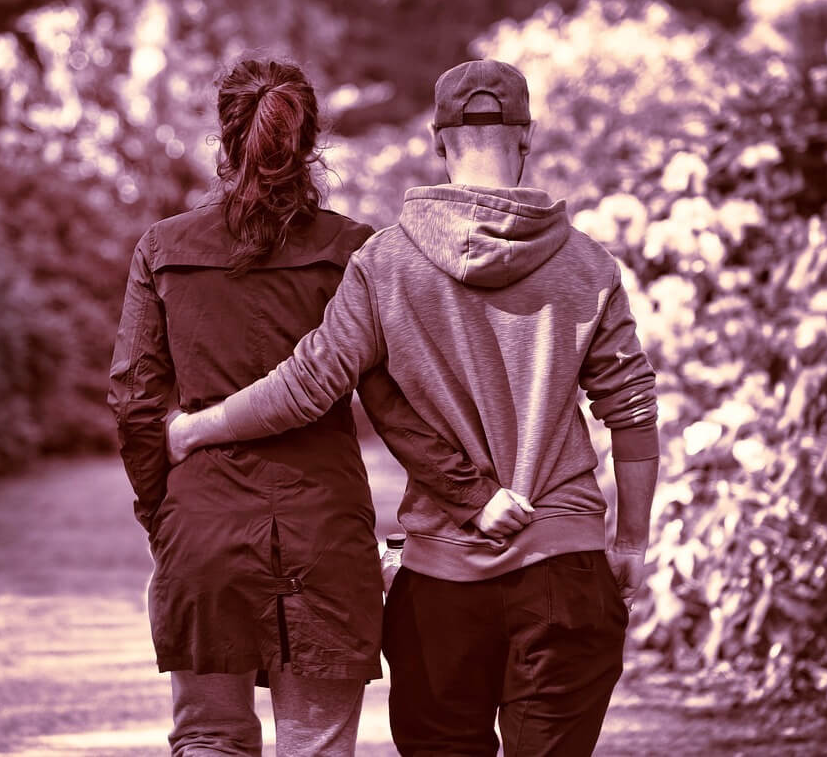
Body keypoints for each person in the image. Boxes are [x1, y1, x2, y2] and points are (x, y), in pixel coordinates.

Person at [167, 59, 661, 757]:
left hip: (441, 588)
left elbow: (308, 384)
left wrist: (197, 427)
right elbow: (632, 410)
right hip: (565, 567)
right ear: (527, 136)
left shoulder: (386, 263)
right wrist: (631, 542)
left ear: (437, 140)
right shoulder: (587, 264)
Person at [107, 57, 505, 756]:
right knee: (315, 746)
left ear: (225, 139)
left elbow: (135, 404)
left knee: (209, 738)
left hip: (202, 529)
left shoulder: (163, 249)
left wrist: (163, 515)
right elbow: (399, 406)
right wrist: (473, 495)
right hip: (325, 534)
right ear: (311, 141)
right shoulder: (354, 251)